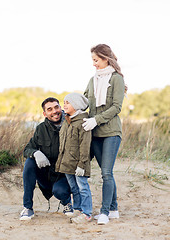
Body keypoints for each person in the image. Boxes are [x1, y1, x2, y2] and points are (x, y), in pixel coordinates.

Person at [82, 44, 125, 225]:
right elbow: (84, 101)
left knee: (106, 173)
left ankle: (105, 212)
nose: (94, 64)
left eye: (96, 60)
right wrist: (68, 109)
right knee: (106, 173)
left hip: (111, 132)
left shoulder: (116, 79)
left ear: (106, 58)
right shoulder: (93, 80)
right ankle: (114, 208)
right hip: (95, 134)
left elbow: (116, 107)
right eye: (92, 60)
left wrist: (96, 119)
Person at [20, 97, 73, 220]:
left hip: (64, 176)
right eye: (50, 109)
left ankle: (67, 202)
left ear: (60, 108)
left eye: (56, 107)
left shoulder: (71, 124)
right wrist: (36, 153)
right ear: (45, 113)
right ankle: (27, 208)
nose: (54, 111)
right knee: (29, 162)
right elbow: (27, 149)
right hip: (46, 175)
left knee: (60, 191)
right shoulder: (41, 129)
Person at [56, 92, 93, 223]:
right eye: (64, 102)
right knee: (74, 188)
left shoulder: (83, 122)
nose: (64, 105)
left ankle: (87, 213)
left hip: (78, 164)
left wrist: (82, 164)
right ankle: (78, 209)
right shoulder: (66, 120)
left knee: (83, 187)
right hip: (67, 162)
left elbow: (85, 145)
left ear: (76, 105)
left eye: (67, 103)